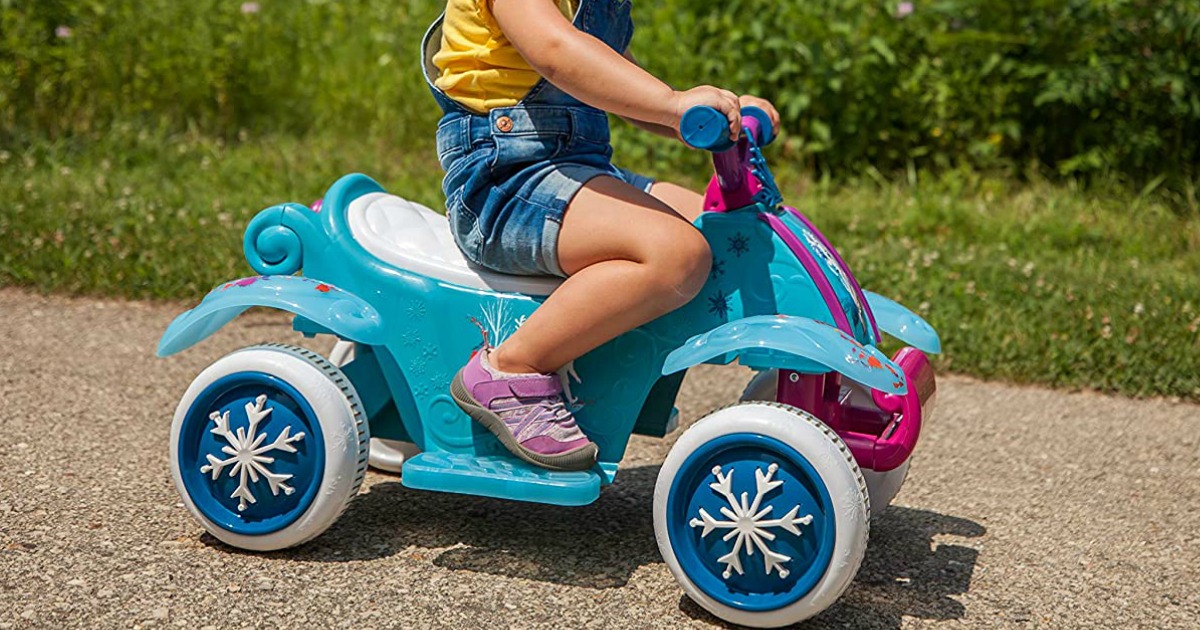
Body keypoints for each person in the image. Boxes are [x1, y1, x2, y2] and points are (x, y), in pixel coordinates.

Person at [424, 0, 780, 471]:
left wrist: (711, 117)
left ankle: (791, 366)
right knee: (677, 254)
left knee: (724, 228)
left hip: (575, 168)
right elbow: (556, 51)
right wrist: (675, 105)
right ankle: (511, 369)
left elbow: (608, 73)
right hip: (506, 181)